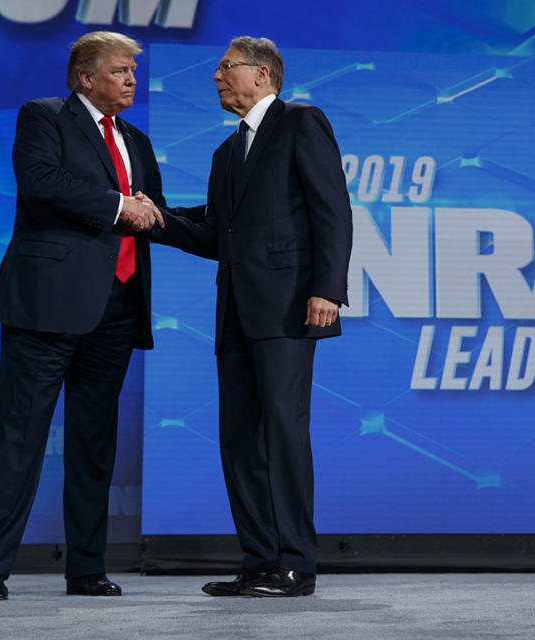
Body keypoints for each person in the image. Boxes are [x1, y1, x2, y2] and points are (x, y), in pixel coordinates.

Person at [148, 36, 352, 597]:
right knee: (239, 438)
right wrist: (155, 219)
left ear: (261, 75)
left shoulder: (301, 122)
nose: (215, 77)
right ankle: (260, 559)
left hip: (290, 305)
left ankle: (296, 562)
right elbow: (219, 233)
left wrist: (328, 289)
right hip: (235, 310)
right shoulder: (224, 153)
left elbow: (331, 210)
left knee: (284, 432)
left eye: (225, 68)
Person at [0, 31, 165, 600]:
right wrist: (117, 206)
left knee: (94, 442)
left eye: (133, 71)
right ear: (86, 77)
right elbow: (41, 184)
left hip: (119, 307)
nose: (131, 79)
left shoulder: (138, 140)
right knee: (19, 437)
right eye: (120, 71)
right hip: (47, 304)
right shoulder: (44, 117)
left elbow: (152, 213)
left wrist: (232, 232)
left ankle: (86, 568)